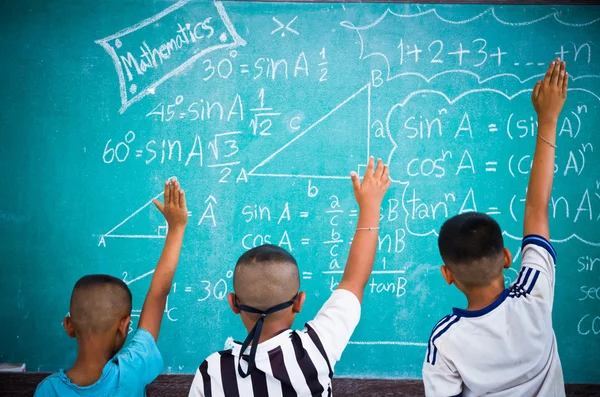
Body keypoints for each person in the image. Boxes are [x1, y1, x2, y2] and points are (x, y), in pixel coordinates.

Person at [423, 59, 568, 396]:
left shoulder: (444, 340)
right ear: (506, 256)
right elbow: (537, 208)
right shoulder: (534, 294)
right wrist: (548, 119)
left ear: (447, 274)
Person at [189, 157, 390, 396]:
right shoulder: (317, 348)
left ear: (233, 303)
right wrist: (370, 205)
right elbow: (354, 281)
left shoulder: (212, 371)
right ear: (299, 302)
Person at [35, 178, 188, 396]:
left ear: (69, 325)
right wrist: (176, 228)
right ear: (124, 326)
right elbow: (158, 293)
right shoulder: (132, 371)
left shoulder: (48, 390)